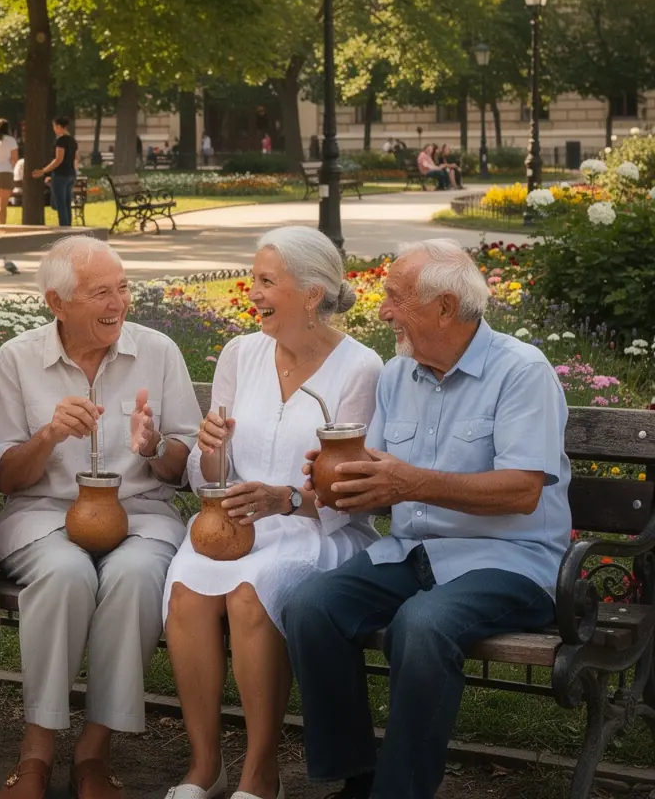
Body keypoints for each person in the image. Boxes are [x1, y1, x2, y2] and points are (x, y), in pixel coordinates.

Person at [282, 240, 571, 799]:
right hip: (412, 553)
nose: (383, 309)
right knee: (311, 607)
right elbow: (384, 480)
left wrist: (410, 482)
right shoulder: (397, 374)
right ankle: (358, 778)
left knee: (423, 624)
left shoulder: (521, 371)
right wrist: (341, 484)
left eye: (395, 297)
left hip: (511, 561)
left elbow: (522, 490)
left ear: (443, 307)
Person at [163, 227, 382, 799]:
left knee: (251, 591)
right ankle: (203, 767)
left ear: (311, 295)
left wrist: (286, 499)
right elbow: (210, 477)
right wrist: (210, 449)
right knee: (187, 587)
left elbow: (356, 486)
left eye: (266, 282)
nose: (252, 293)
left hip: (316, 528)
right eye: (253, 279)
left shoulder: (361, 369)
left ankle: (261, 773)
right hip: (233, 523)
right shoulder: (241, 353)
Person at [0, 236, 201, 799]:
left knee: (134, 577)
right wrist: (50, 434)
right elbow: (5, 477)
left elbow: (186, 468)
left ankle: (95, 752)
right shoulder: (16, 359)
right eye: (100, 292)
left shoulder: (158, 351)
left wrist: (153, 445)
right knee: (65, 574)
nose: (118, 303)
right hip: (42, 514)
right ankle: (35, 752)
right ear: (57, 302)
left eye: (123, 288)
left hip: (142, 513)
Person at [32, 116, 77, 228]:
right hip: (70, 174)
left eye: (54, 126)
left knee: (60, 203)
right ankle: (68, 227)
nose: (53, 129)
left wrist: (43, 171)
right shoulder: (72, 140)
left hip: (60, 175)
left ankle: (63, 228)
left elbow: (58, 159)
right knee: (66, 203)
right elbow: (76, 157)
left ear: (58, 126)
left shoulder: (61, 141)